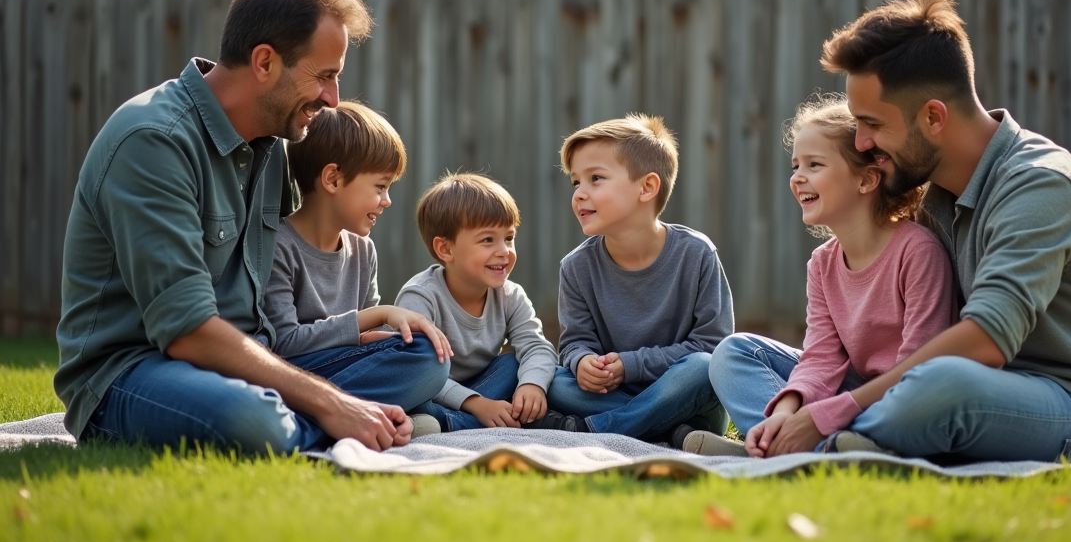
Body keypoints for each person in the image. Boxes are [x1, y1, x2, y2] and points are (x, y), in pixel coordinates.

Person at [55, 0, 449, 455]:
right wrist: (329, 401)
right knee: (252, 418)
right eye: (324, 76)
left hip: (254, 359)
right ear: (264, 62)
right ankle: (333, 420)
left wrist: (351, 341)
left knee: (422, 360)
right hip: (135, 370)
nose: (333, 98)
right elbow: (186, 332)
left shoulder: (273, 143)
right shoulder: (154, 142)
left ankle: (322, 416)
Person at [754, 0, 1071, 464]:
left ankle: (823, 444)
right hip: (984, 386)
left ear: (932, 117)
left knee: (937, 385)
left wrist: (836, 408)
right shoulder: (935, 190)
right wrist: (806, 400)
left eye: (872, 125)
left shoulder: (1039, 185)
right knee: (749, 355)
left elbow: (986, 340)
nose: (862, 142)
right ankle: (807, 440)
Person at [699, 95, 955, 457]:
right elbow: (821, 358)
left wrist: (827, 413)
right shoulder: (822, 263)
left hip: (902, 398)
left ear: (866, 180)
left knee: (904, 403)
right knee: (732, 353)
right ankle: (784, 442)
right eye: (795, 165)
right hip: (849, 393)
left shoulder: (918, 252)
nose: (797, 178)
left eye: (814, 164)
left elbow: (920, 368)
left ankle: (792, 451)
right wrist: (786, 411)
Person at [535, 114, 733, 447]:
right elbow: (574, 342)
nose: (579, 194)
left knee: (702, 367)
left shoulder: (697, 254)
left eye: (595, 178)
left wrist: (631, 365)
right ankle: (666, 431)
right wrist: (583, 362)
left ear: (647, 187)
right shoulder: (576, 267)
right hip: (614, 395)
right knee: (551, 381)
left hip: (685, 392)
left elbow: (713, 346)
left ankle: (595, 431)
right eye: (575, 182)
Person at [262, 100, 452, 436]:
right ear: (333, 179)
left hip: (346, 371)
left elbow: (360, 341)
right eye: (380, 187)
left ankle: (372, 415)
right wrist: (378, 316)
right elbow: (283, 344)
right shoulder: (279, 246)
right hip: (296, 375)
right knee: (426, 369)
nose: (387, 200)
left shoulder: (363, 251)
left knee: (426, 354)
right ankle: (327, 419)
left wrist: (380, 340)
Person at [395, 173, 558, 431]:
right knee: (417, 389)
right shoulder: (421, 296)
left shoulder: (510, 295)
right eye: (487, 240)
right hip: (432, 391)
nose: (504, 250)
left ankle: (458, 424)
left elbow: (537, 347)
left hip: (486, 386)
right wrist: (478, 405)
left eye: (508, 238)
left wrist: (532, 386)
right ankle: (464, 421)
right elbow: (413, 371)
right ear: (446, 249)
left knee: (517, 364)